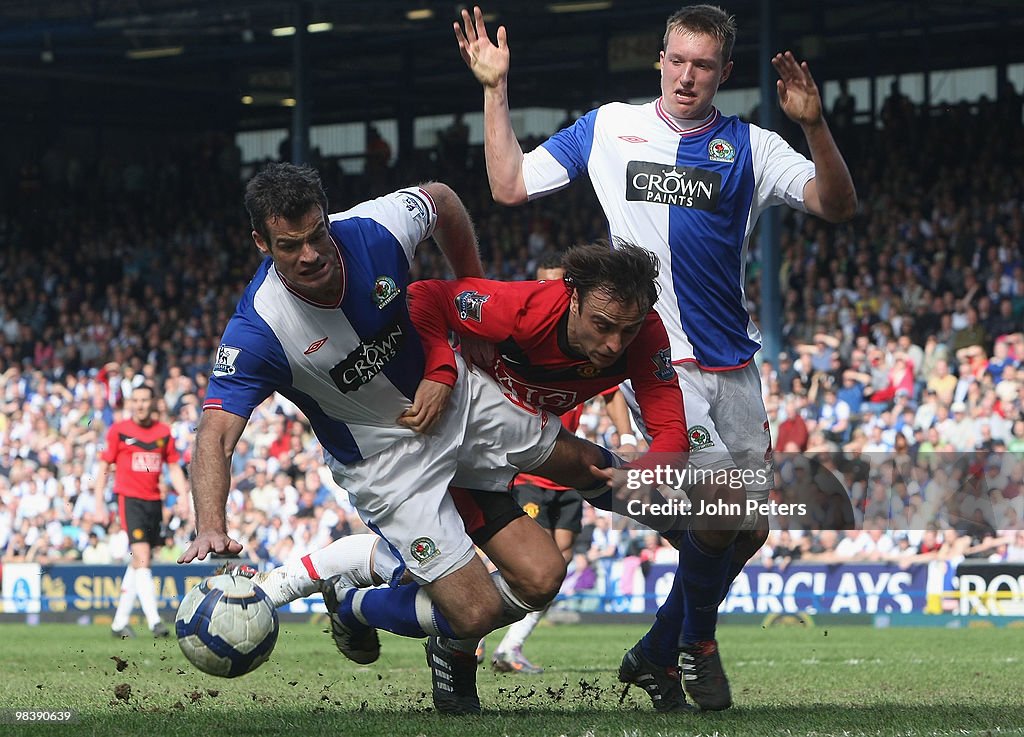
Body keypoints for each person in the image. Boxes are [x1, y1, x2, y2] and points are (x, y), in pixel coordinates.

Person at [455, 3, 856, 711]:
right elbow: (510, 184)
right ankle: (693, 648)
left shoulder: (753, 148)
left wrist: (814, 126)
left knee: (749, 529)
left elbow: (836, 204)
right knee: (724, 507)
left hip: (734, 365)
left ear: (724, 73)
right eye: (678, 59)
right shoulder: (610, 126)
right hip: (657, 360)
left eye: (704, 65)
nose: (688, 76)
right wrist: (495, 89)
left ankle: (654, 651)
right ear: (660, 61)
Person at [178, 163, 630, 716]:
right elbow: (215, 434)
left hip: (459, 403)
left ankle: (700, 529)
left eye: (317, 234)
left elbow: (442, 198)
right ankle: (354, 604)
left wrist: (474, 295)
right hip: (386, 466)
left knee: (553, 551)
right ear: (261, 243)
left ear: (328, 217)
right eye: (289, 245)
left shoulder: (375, 228)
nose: (310, 254)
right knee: (473, 614)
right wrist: (210, 524)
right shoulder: (259, 330)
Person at [219, 240, 690, 698]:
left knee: (546, 574)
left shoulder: (643, 333)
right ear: (572, 298)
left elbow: (670, 424)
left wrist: (651, 469)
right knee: (470, 608)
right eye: (602, 325)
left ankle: (694, 550)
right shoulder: (523, 307)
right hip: (461, 432)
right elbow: (424, 295)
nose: (613, 344)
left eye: (625, 331)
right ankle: (363, 608)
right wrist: (442, 369)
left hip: (517, 434)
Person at [93, 383, 189, 638]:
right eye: (135, 400)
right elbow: (104, 468)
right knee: (143, 556)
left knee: (139, 561)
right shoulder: (119, 431)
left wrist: (184, 496)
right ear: (130, 403)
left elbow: (174, 467)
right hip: (130, 500)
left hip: (154, 503)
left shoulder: (164, 432)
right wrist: (99, 503)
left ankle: (118, 624)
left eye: (145, 400)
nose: (140, 405)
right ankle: (155, 622)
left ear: (153, 402)